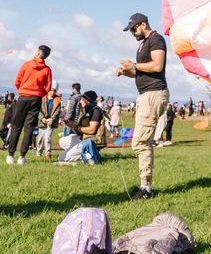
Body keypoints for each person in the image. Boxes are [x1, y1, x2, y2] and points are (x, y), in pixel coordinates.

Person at [117, 12, 168, 200]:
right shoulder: (143, 44)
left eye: (133, 29)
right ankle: (144, 185)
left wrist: (134, 65)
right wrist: (127, 72)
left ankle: (145, 188)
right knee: (141, 142)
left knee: (140, 142)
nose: (132, 33)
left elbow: (157, 66)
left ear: (143, 24)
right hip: (146, 94)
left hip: (154, 94)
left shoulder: (156, 39)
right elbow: (140, 73)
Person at [6, 45, 53, 165]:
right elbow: (48, 88)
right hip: (36, 99)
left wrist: (22, 90)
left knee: (16, 126)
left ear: (37, 52)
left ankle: (10, 155)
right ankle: (22, 157)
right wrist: (39, 94)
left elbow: (17, 81)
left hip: (23, 97)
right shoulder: (47, 70)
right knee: (29, 128)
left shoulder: (26, 65)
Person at [63, 90, 107, 165]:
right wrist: (72, 125)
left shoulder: (96, 111)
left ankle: (85, 157)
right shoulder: (85, 111)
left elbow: (92, 130)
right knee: (63, 140)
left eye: (82, 100)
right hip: (83, 138)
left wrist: (76, 127)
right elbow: (79, 131)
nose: (80, 101)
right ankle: (87, 153)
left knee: (62, 158)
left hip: (92, 140)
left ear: (88, 101)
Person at [35, 89, 61, 159]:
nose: (53, 92)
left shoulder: (57, 100)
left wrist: (52, 119)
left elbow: (57, 111)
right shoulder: (42, 98)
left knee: (48, 138)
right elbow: (39, 110)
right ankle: (38, 153)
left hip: (51, 121)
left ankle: (48, 153)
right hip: (42, 121)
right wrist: (42, 118)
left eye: (54, 91)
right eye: (51, 90)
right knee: (40, 139)